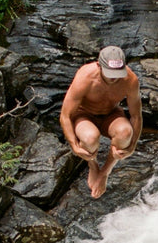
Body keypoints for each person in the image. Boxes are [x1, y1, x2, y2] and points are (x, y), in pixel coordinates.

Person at [60, 45, 143, 199]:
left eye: (118, 73)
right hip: (84, 115)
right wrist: (74, 146)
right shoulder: (85, 77)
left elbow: (136, 116)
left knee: (126, 132)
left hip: (111, 115)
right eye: (110, 73)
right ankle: (93, 165)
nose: (114, 78)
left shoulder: (130, 80)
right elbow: (65, 115)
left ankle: (105, 172)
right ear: (99, 65)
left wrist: (132, 146)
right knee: (91, 137)